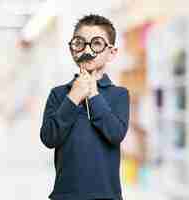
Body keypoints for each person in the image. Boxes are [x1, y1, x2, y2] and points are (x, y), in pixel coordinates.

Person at [40, 14, 130, 200]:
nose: (87, 49)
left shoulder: (119, 95)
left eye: (96, 44)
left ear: (111, 52)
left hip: (106, 196)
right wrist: (73, 97)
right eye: (80, 43)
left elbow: (115, 133)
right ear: (73, 49)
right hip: (65, 195)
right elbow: (49, 138)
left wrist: (93, 94)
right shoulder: (58, 94)